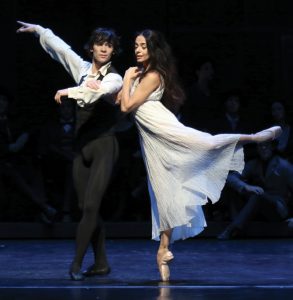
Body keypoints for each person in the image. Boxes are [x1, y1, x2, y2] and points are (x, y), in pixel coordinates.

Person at [117, 29, 282, 282]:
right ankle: (162, 250)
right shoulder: (140, 75)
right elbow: (120, 100)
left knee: (207, 145)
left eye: (142, 46)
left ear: (153, 49)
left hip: (166, 129)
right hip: (152, 141)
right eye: (136, 45)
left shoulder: (151, 75)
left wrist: (127, 79)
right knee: (164, 193)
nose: (137, 50)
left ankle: (253, 137)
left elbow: (127, 106)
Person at [17, 21, 123, 281]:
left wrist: (69, 90)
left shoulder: (113, 77)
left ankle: (75, 264)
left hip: (104, 146)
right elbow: (62, 50)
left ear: (113, 50)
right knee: (84, 206)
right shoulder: (82, 69)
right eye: (100, 43)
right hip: (81, 147)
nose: (104, 48)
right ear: (92, 47)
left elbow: (96, 94)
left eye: (108, 45)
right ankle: (101, 263)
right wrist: (41, 30)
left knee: (90, 207)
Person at [217, 140, 293, 240]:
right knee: (241, 192)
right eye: (260, 146)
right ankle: (235, 223)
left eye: (267, 145)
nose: (263, 148)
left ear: (273, 147)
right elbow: (230, 177)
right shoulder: (254, 164)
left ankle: (232, 229)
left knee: (257, 196)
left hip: (276, 209)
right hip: (257, 206)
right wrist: (245, 186)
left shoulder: (284, 166)